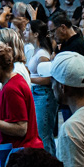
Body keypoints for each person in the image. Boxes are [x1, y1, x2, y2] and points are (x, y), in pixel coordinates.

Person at [25, 19, 57, 155]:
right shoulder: (35, 51)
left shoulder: (42, 54)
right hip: (37, 93)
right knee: (41, 133)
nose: (24, 32)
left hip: (43, 95)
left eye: (27, 30)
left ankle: (50, 163)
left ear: (36, 34)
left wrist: (27, 79)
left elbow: (48, 79)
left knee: (44, 134)